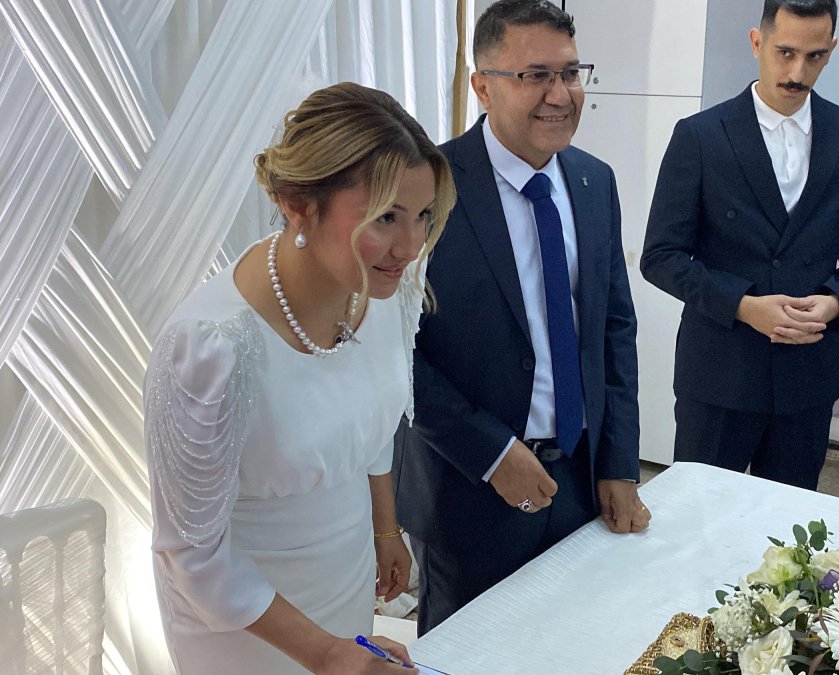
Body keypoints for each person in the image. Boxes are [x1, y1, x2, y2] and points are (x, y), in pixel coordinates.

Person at [144, 82, 454, 673]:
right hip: (241, 616)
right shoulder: (210, 348)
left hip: (345, 575)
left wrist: (384, 527)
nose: (411, 245)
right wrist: (326, 653)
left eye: (423, 216)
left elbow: (369, 424)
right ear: (297, 203)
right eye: (386, 216)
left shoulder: (385, 295)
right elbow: (194, 554)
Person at [394, 0, 646, 634]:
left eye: (570, 72)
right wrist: (491, 452)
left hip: (581, 479)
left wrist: (618, 463)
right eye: (535, 75)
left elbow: (614, 329)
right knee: (473, 653)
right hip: (468, 492)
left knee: (575, 641)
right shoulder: (429, 185)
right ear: (482, 85)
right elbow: (392, 352)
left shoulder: (593, 181)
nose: (560, 94)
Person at [640, 0, 839, 490]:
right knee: (699, 524)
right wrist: (744, 306)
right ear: (757, 42)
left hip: (807, 377)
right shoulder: (700, 136)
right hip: (719, 374)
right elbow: (661, 257)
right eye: (785, 52)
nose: (797, 72)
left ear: (832, 50)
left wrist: (836, 302)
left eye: (814, 56)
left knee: (790, 536)